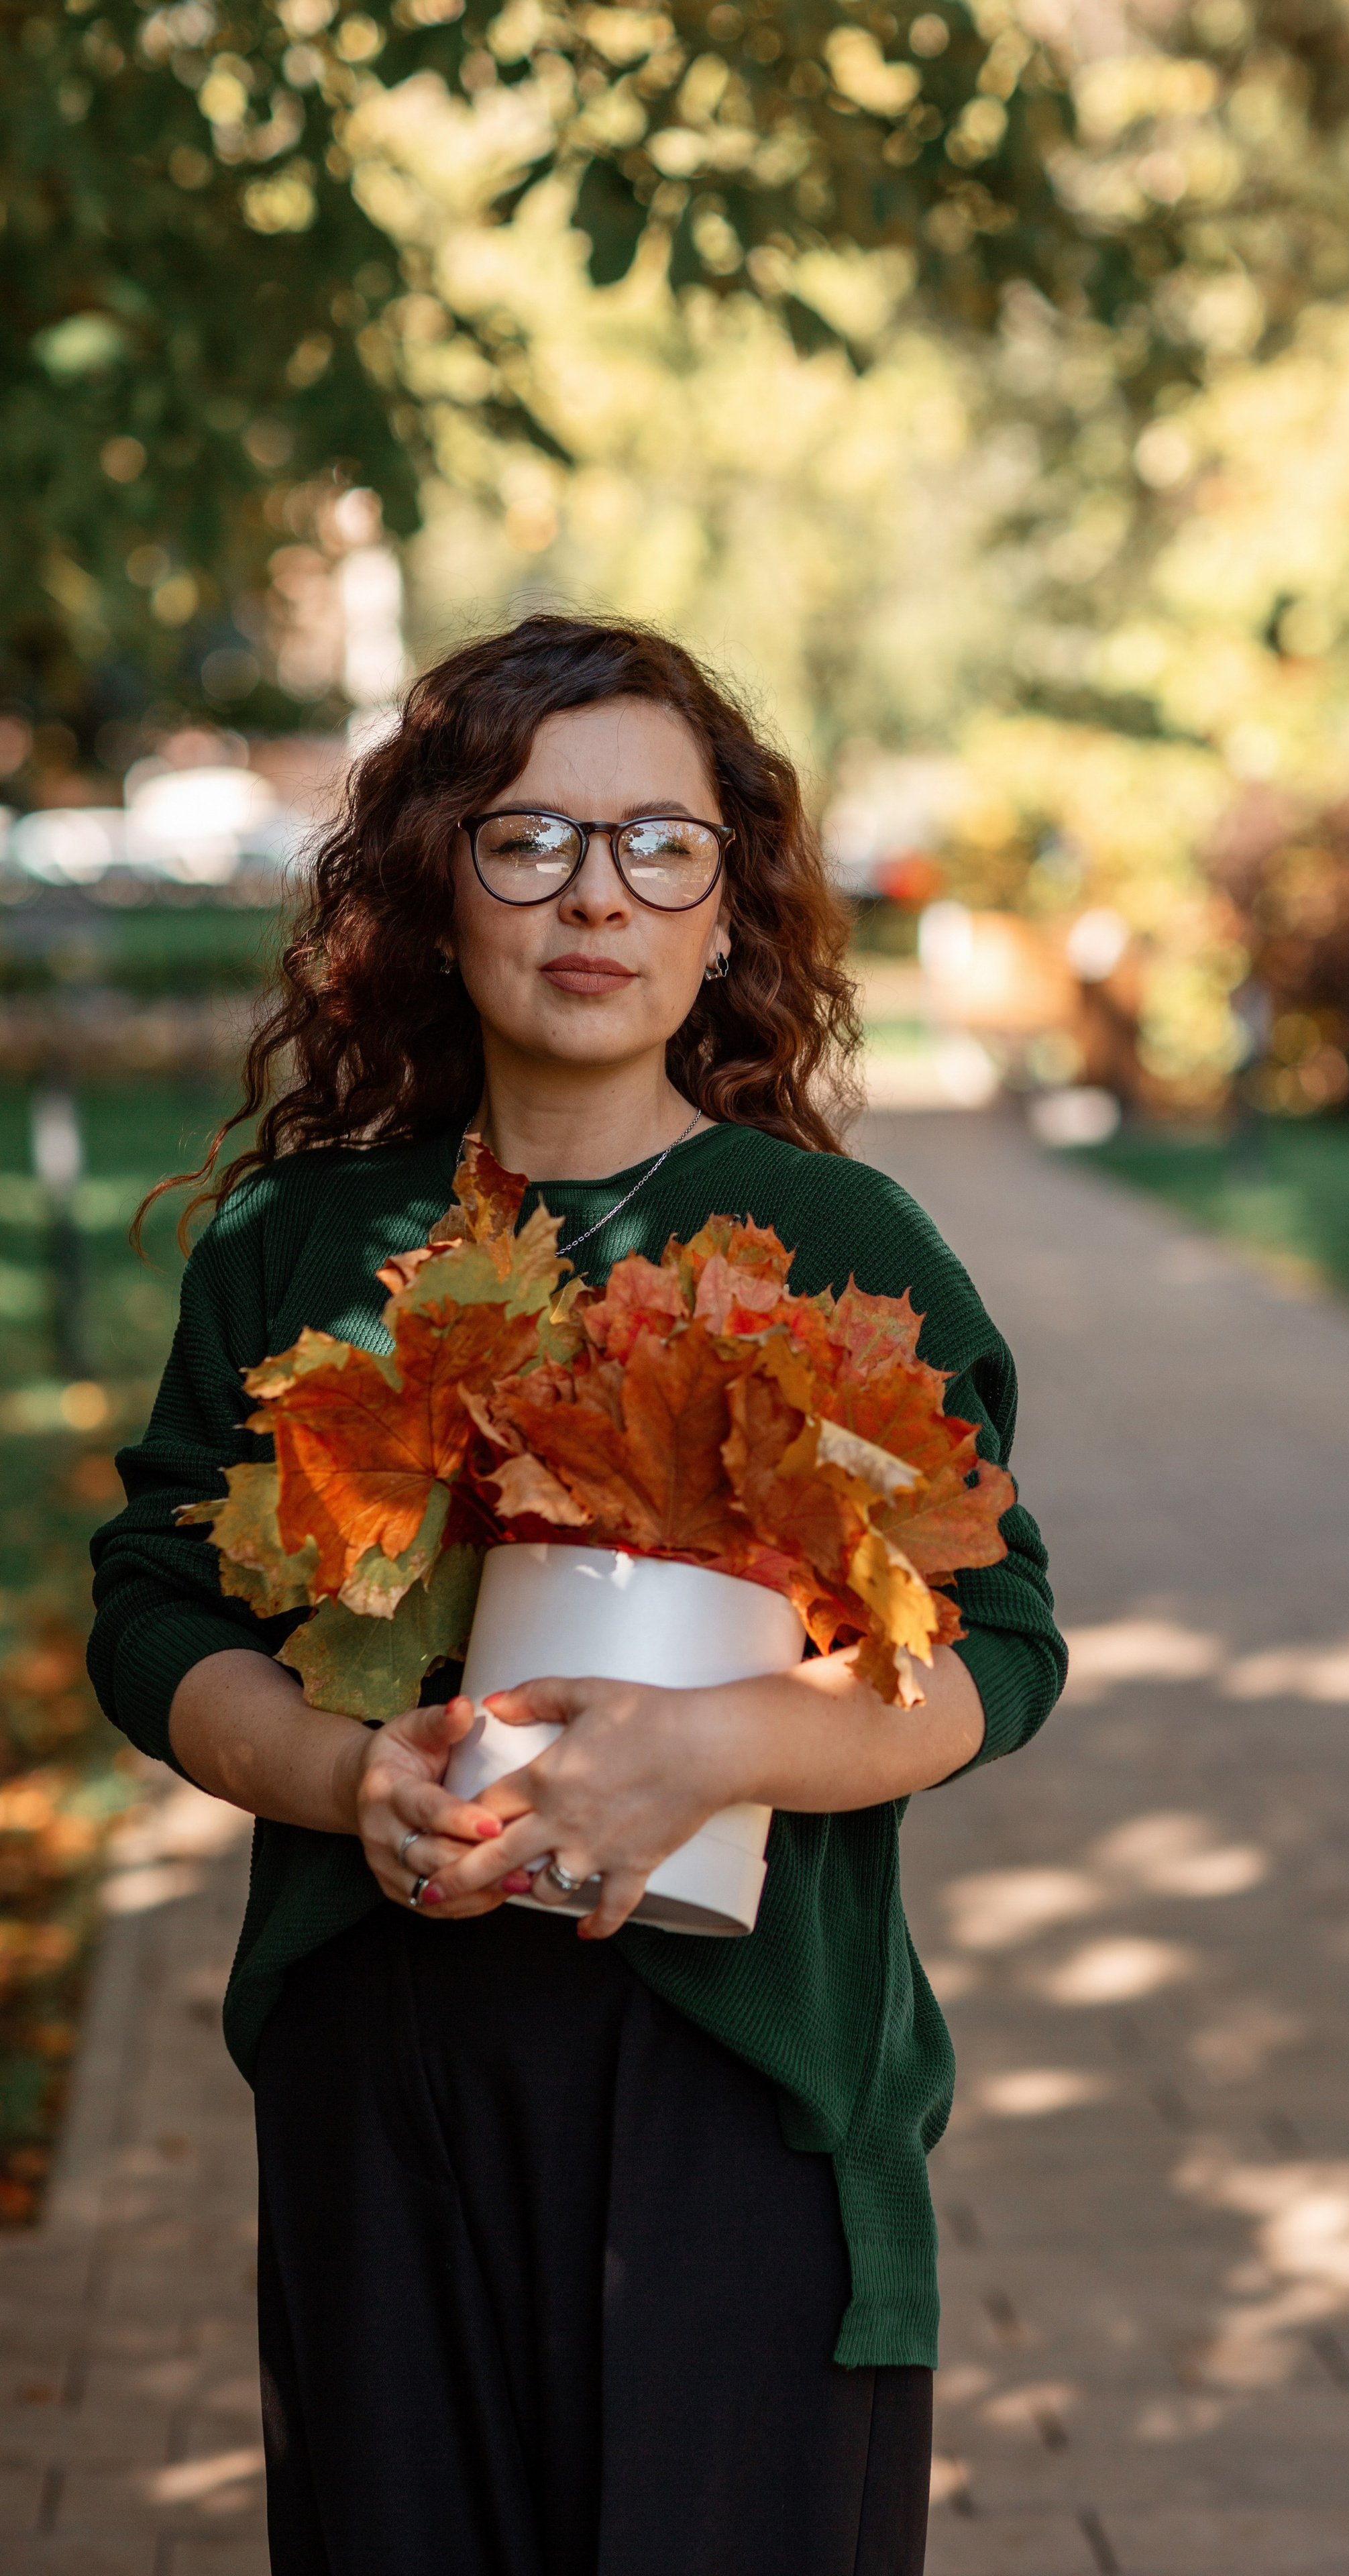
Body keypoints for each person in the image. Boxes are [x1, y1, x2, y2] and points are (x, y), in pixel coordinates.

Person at [89, 614, 1065, 2576]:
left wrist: (705, 1751)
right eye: (528, 840)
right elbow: (152, 1614)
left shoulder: (835, 1239)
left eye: (660, 845)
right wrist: (335, 1772)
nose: (595, 895)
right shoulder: (303, 1245)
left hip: (740, 2074)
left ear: (732, 909)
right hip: (389, 2062)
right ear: (436, 889)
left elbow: (997, 1650)